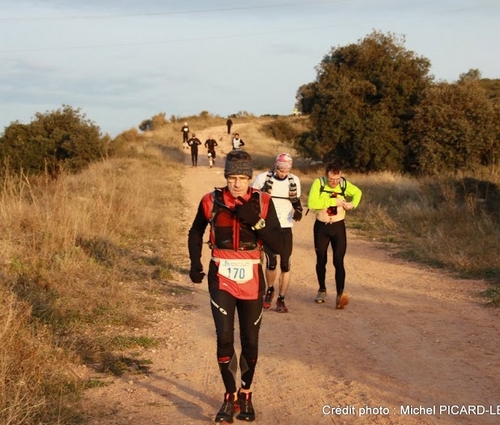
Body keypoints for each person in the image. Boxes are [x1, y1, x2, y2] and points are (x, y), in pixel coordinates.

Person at [188, 150, 283, 423]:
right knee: (225, 338)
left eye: (243, 177)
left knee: (250, 341)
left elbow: (281, 246)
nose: (237, 183)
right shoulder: (211, 200)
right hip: (222, 276)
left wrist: (256, 220)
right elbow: (196, 231)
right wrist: (195, 262)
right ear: (226, 176)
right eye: (232, 177)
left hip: (252, 277)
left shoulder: (262, 202)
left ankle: (247, 393)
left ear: (250, 178)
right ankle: (229, 397)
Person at [307, 162, 362, 309]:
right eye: (332, 179)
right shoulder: (318, 183)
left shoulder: (344, 184)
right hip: (321, 227)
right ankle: (322, 289)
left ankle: (340, 295)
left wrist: (353, 203)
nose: (334, 182)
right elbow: (312, 203)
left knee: (338, 260)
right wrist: (333, 201)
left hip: (338, 227)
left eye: (337, 179)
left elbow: (357, 193)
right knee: (321, 259)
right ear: (326, 176)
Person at [252, 153, 302, 313]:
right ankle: (270, 289)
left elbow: (296, 200)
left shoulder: (294, 181)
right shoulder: (262, 179)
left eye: (286, 170)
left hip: (286, 226)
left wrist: (299, 210)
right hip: (269, 225)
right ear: (275, 166)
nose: (282, 173)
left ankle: (281, 299)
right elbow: (253, 199)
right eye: (280, 169)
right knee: (271, 262)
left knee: (286, 265)